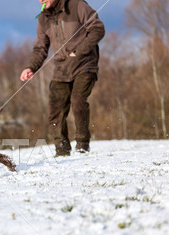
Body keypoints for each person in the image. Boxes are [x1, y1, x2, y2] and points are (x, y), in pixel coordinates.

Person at [20, 0, 105, 156]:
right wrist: (30, 67)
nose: (41, 0)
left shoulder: (77, 5)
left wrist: (79, 51)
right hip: (61, 69)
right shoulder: (43, 18)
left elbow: (97, 29)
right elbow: (40, 47)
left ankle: (82, 145)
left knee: (78, 100)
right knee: (55, 108)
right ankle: (62, 150)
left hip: (85, 63)